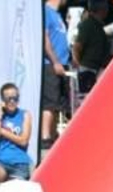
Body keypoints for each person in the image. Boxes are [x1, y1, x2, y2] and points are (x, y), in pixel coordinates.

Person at [42, 0, 71, 144]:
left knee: (58, 102)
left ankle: (52, 135)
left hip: (61, 63)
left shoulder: (57, 14)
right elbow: (45, 38)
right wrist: (55, 61)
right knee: (50, 101)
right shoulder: (45, 12)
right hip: (50, 64)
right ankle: (45, 135)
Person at [71, 0, 111, 94]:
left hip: (96, 70)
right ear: (101, 10)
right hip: (87, 70)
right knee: (87, 96)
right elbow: (77, 46)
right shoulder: (88, 25)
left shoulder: (98, 26)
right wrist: (77, 63)